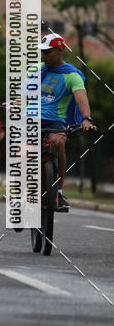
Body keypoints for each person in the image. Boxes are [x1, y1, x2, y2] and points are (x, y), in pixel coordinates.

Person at [38, 33, 96, 212]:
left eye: (48, 52)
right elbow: (23, 93)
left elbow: (81, 98)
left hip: (55, 120)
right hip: (31, 118)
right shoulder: (35, 70)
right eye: (42, 52)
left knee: (58, 142)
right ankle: (21, 191)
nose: (44, 55)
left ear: (59, 51)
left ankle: (58, 192)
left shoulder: (71, 75)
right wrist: (13, 104)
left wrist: (86, 118)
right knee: (21, 149)